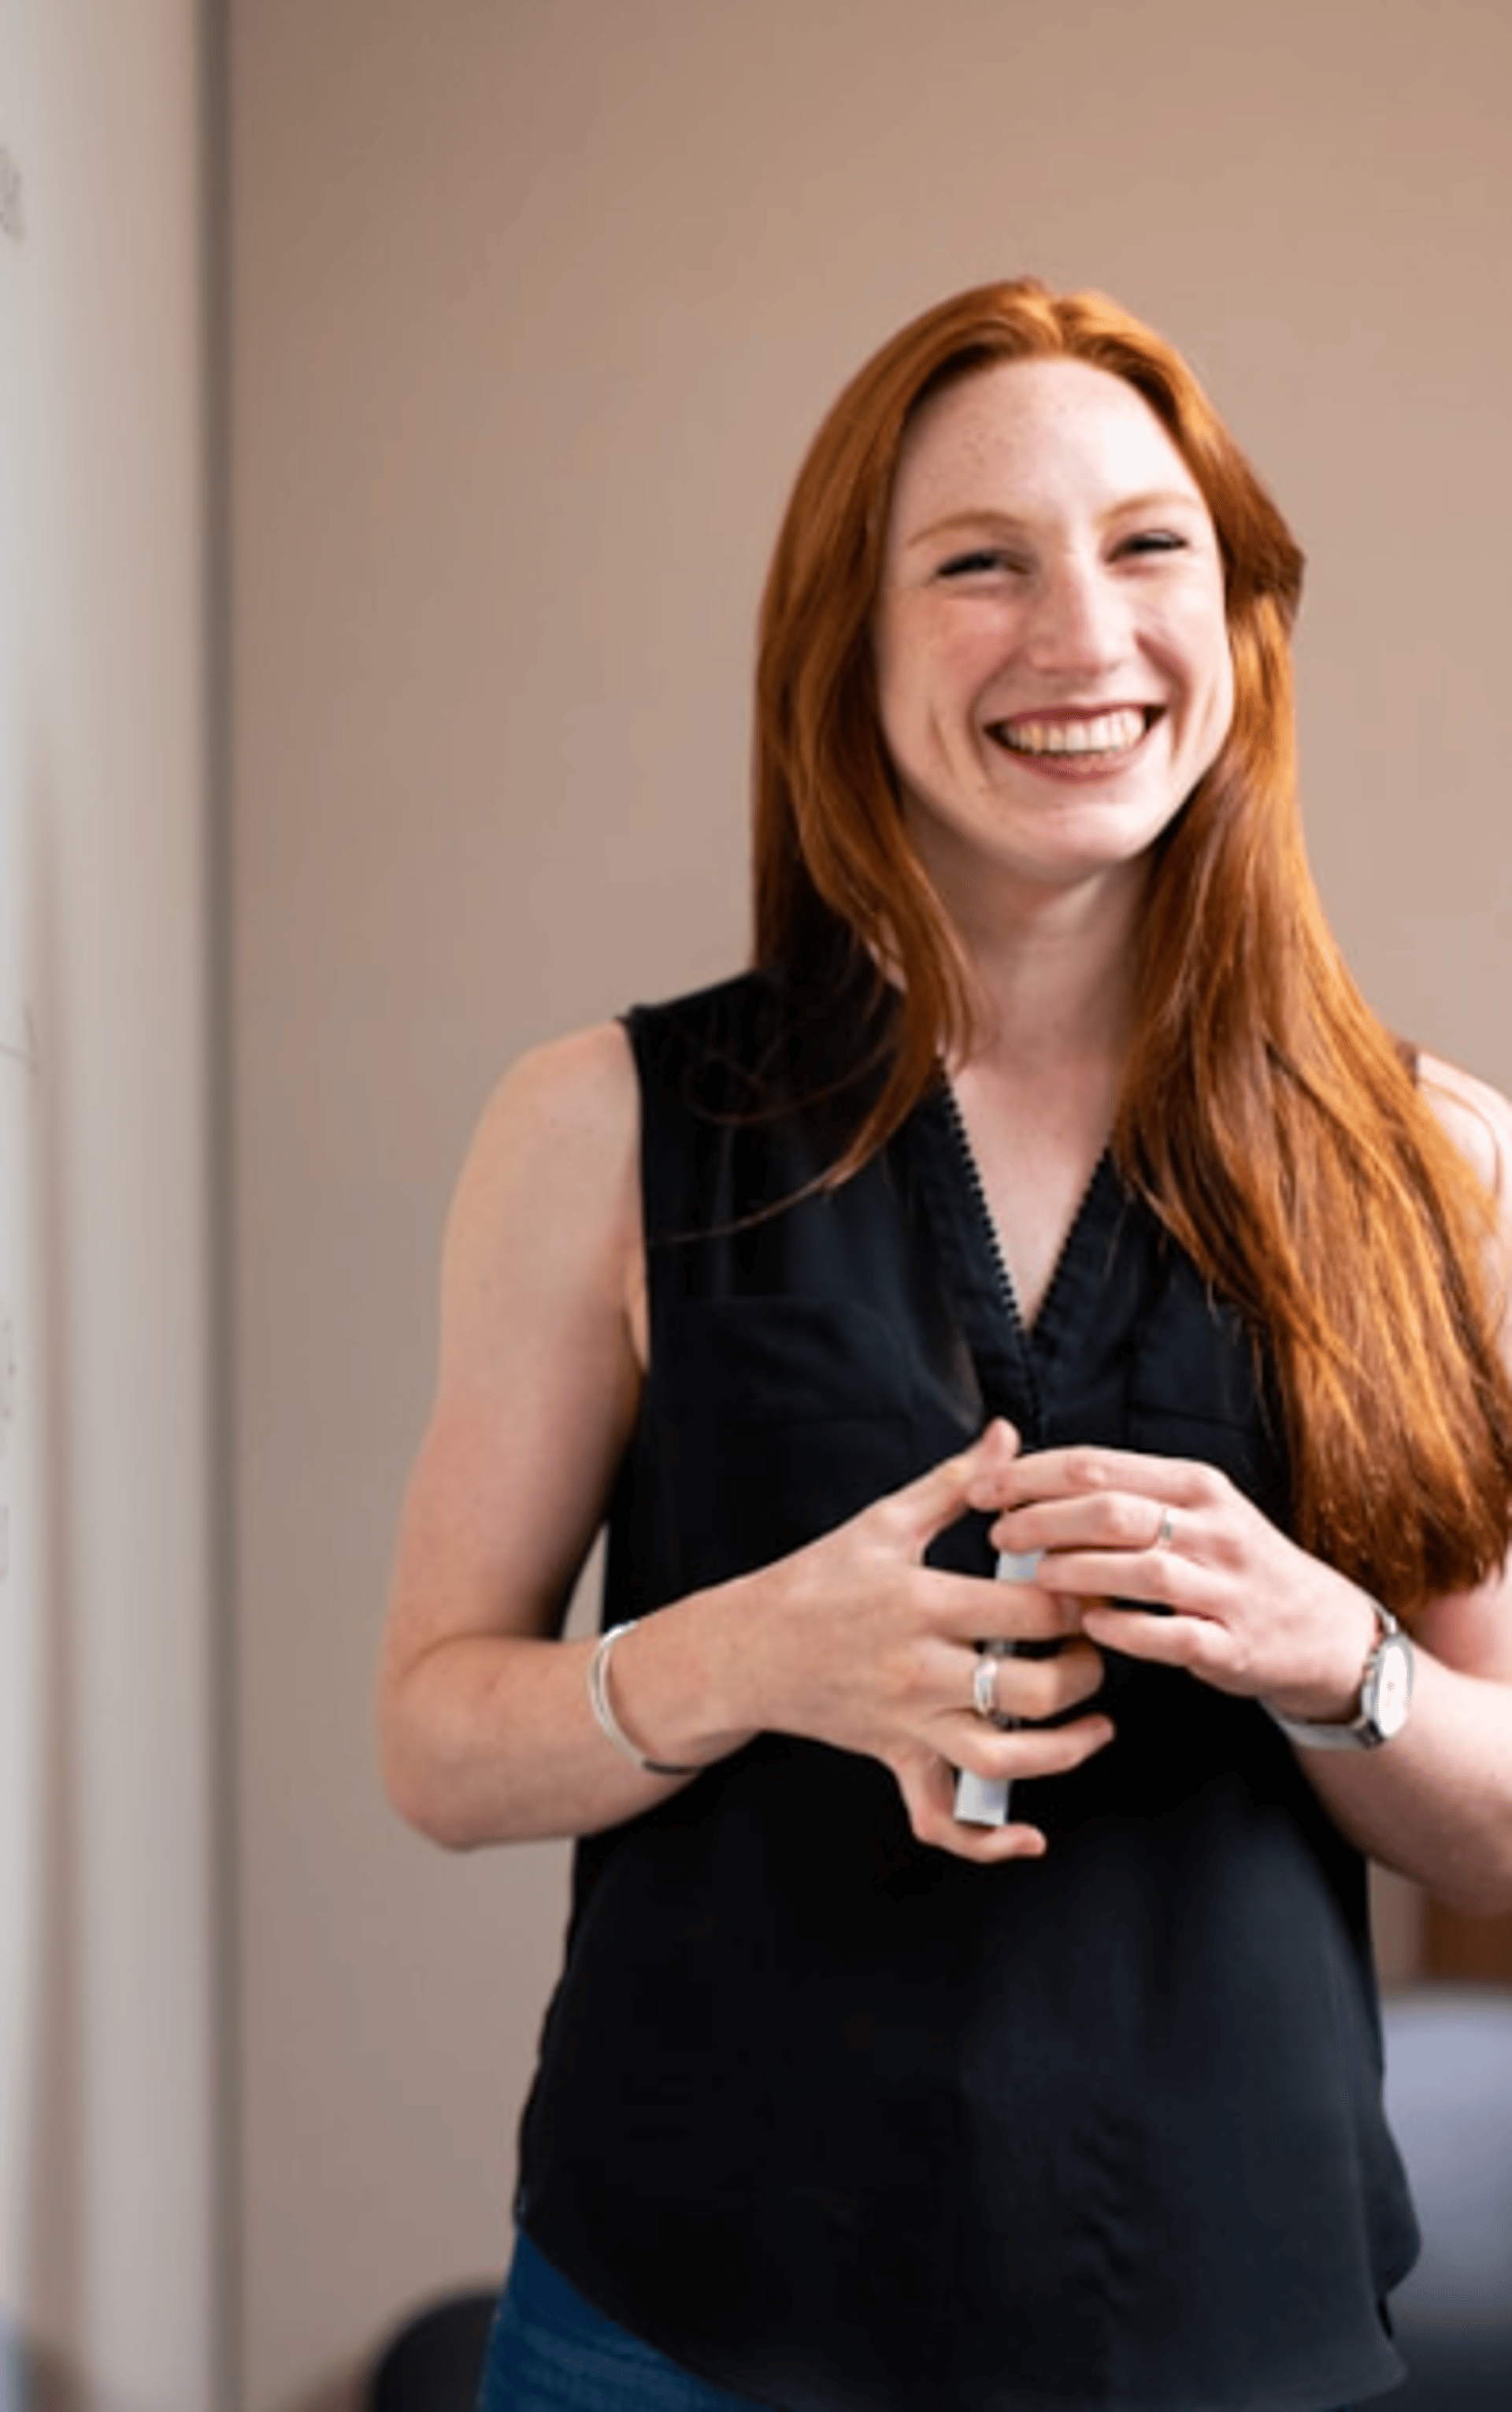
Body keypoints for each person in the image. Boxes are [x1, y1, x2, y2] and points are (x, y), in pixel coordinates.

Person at [377, 277, 1512, 2412]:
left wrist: (1330, 1648)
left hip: (1239, 2333)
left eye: (1146, 545)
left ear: (1239, 617)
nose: (1081, 633)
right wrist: (746, 1656)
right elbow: (435, 1734)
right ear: (852, 651)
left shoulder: (1444, 1166)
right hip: (676, 2331)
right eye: (980, 562)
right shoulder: (601, 1129)